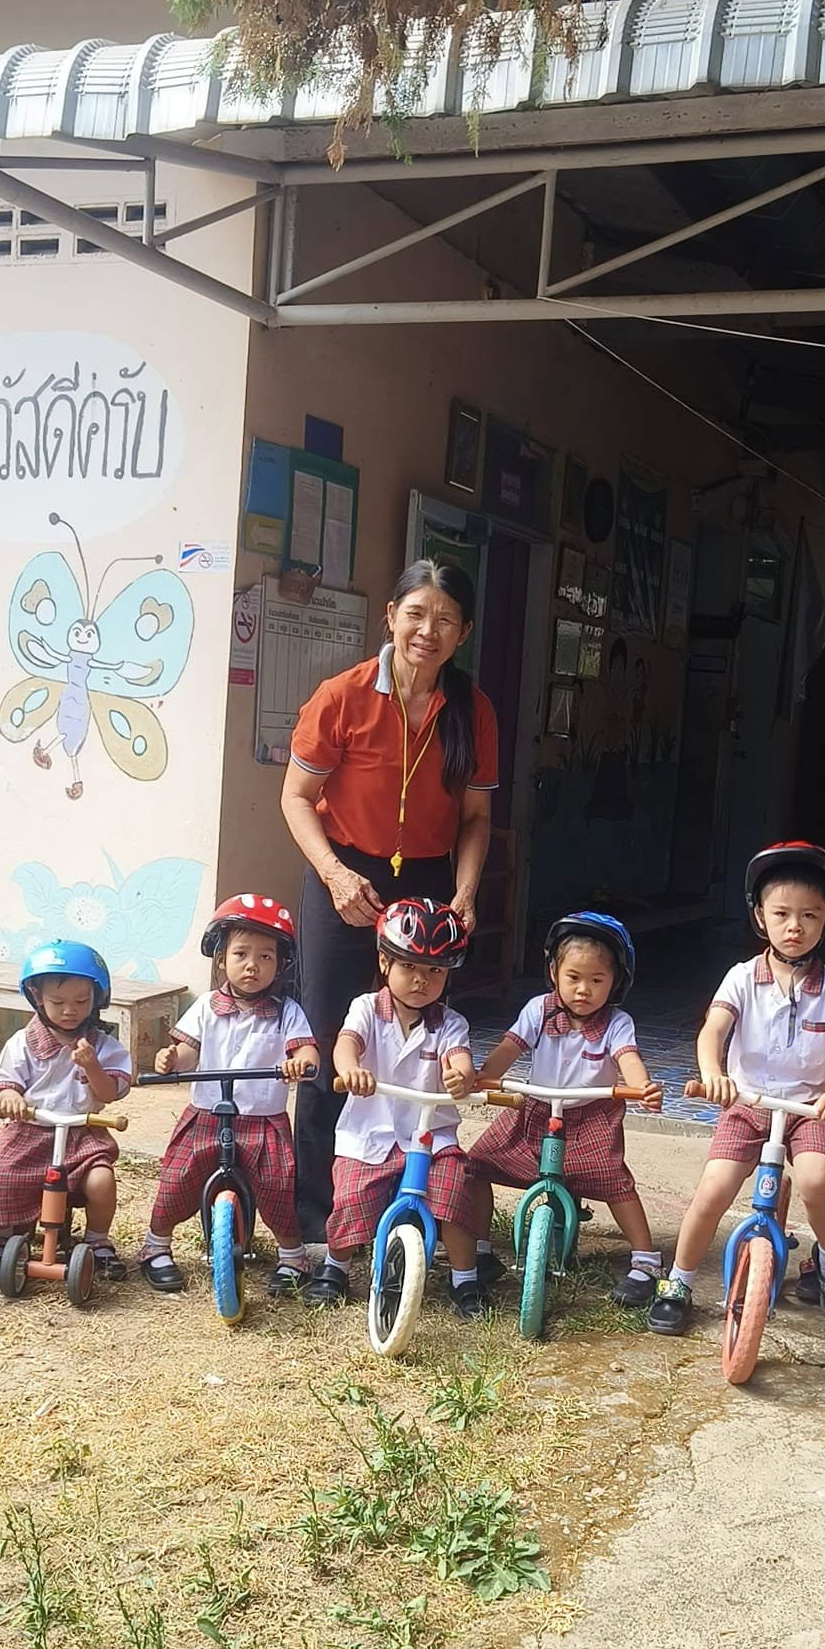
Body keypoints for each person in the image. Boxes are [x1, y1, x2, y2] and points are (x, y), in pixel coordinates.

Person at [281, 560, 500, 1264]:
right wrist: (334, 875)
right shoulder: (341, 696)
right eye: (416, 614)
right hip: (343, 872)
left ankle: (407, 1199)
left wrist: (465, 892)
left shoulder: (472, 710)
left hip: (429, 881)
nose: (427, 630)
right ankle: (317, 1223)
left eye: (445, 619)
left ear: (463, 632)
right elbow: (295, 798)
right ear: (391, 616)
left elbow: (475, 818)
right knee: (330, 1040)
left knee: (417, 1036)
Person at [658, 843, 825, 1338]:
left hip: (807, 1110)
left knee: (816, 1180)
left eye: (810, 915)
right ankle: (679, 1281)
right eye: (782, 914)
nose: (795, 926)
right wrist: (713, 1073)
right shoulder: (741, 978)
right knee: (713, 1190)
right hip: (746, 1105)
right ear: (760, 917)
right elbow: (712, 1032)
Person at [463, 911, 665, 1310]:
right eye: (573, 977)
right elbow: (509, 1048)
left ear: (617, 981)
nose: (583, 990)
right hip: (535, 1109)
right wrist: (485, 1077)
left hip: (591, 1116)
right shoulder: (539, 1010)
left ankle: (645, 1259)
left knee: (615, 1181)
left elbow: (628, 1057)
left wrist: (641, 1086)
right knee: (476, 1164)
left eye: (597, 980)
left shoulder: (616, 1023)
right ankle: (480, 1249)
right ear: (554, 972)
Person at [141, 895, 318, 1297]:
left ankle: (292, 1256)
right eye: (241, 954)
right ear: (221, 959)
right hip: (206, 1114)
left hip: (263, 1119)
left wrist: (301, 1063)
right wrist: (173, 1058)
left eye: (266, 957)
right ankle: (156, 1245)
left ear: (281, 964)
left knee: (277, 1185)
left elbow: (306, 1051)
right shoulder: (206, 1006)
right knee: (178, 1176)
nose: (252, 965)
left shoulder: (287, 1012)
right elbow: (189, 1051)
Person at [320, 898, 483, 1316]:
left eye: (435, 971)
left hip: (431, 1135)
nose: (421, 980)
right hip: (370, 1132)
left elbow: (459, 1058)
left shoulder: (450, 1023)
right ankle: (335, 1266)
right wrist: (350, 1069)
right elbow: (347, 1043)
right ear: (384, 962)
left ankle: (465, 1278)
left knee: (454, 1192)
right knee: (350, 1197)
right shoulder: (366, 1009)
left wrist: (461, 1075)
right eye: (409, 966)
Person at [0, 940, 132, 1286]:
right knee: (4, 1179)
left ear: (97, 998)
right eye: (58, 1002)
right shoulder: (22, 1042)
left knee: (101, 1180)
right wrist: (10, 1097)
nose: (70, 1011)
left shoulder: (103, 1046)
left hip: (84, 1133)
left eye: (81, 1001)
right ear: (37, 997)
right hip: (30, 1131)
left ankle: (98, 1241)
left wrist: (92, 1066)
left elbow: (109, 1093)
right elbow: (6, 1083)